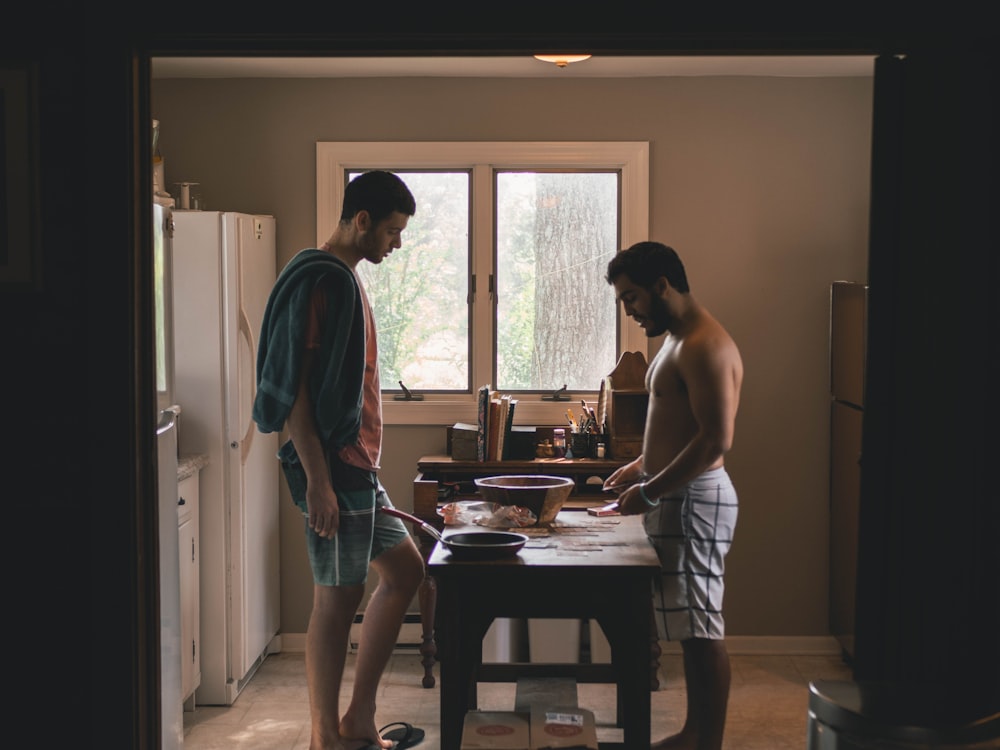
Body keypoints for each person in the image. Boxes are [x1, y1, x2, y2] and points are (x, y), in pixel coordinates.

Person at [253, 170, 426, 750]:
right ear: (361, 222)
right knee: (336, 595)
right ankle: (327, 737)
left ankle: (357, 719)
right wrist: (320, 483)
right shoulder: (321, 280)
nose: (396, 243)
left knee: (406, 572)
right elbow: (295, 394)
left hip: (356, 466)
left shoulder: (342, 278)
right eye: (392, 232)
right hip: (333, 466)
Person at [603, 241, 743, 750]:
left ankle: (706, 742)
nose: (631, 311)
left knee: (702, 628)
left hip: (694, 501)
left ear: (662, 285)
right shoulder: (679, 340)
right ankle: (693, 733)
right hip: (678, 497)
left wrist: (651, 489)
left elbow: (714, 440)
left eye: (632, 298)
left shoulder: (705, 344)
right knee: (690, 626)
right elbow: (679, 427)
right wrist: (639, 467)